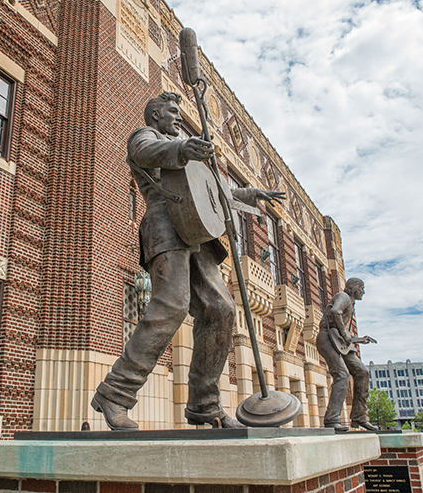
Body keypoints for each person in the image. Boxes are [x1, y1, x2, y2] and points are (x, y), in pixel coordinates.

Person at [91, 91, 284, 430]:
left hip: (198, 235)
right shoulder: (146, 135)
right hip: (165, 226)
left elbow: (210, 190)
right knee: (172, 305)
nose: (178, 118)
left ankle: (204, 405)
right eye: (172, 112)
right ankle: (115, 393)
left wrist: (248, 194)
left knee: (221, 309)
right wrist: (181, 149)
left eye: (179, 113)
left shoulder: (185, 149)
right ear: (155, 116)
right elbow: (143, 152)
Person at [316, 277, 378, 432]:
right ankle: (331, 420)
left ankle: (359, 416)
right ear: (355, 288)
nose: (363, 292)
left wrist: (359, 339)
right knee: (342, 375)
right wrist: (345, 332)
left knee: (362, 372)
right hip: (327, 338)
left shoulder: (351, 304)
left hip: (339, 342)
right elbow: (335, 311)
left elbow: (343, 335)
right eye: (362, 288)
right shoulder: (343, 297)